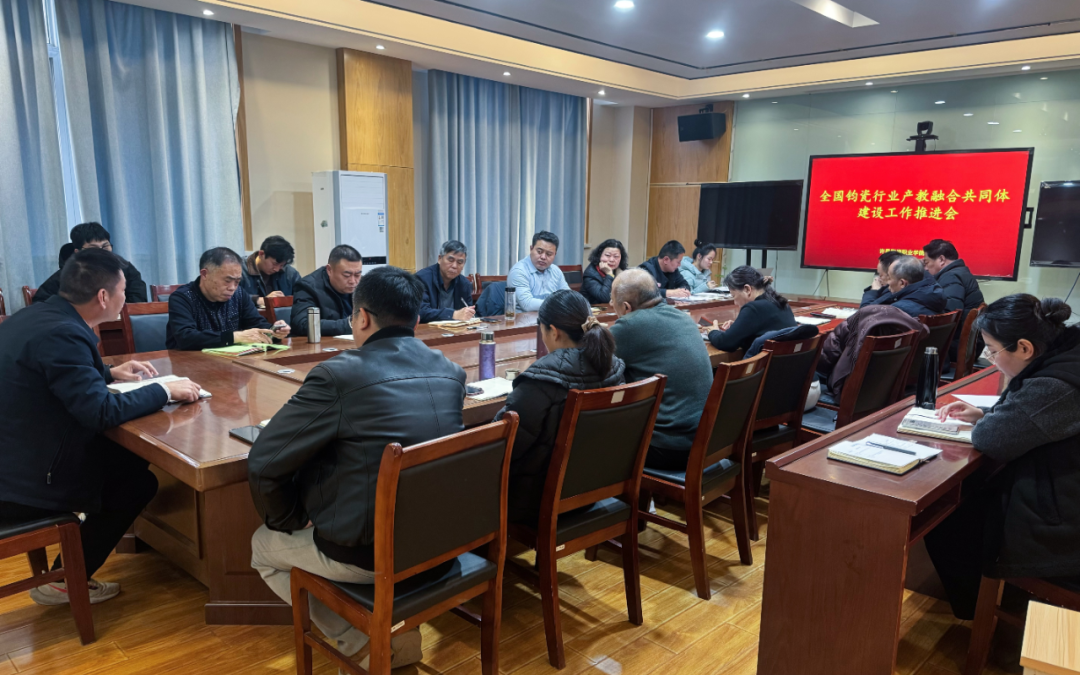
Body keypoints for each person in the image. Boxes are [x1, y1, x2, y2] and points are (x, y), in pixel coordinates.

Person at [248, 266, 467, 669]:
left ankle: (363, 642)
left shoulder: (340, 374)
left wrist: (291, 518)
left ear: (361, 317)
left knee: (262, 546)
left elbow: (264, 463)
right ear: (417, 318)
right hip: (441, 542)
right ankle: (391, 631)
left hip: (371, 556)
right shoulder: (451, 372)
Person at [0, 249, 202, 606]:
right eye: (124, 291)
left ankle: (85, 561)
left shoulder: (36, 316)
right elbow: (100, 412)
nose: (127, 298)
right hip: (24, 483)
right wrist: (164, 391)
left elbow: (51, 376)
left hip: (17, 454)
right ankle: (66, 580)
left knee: (130, 460)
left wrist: (107, 373)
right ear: (104, 296)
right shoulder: (64, 333)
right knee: (135, 481)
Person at [926, 295, 1080, 620]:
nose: (990, 358)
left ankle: (983, 614)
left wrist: (990, 419)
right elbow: (1025, 418)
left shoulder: (1053, 386)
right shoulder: (1068, 355)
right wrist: (986, 413)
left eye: (993, 350)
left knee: (949, 521)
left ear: (1024, 348)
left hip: (1066, 520)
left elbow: (992, 440)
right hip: (1067, 486)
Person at [495, 290, 625, 524]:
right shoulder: (613, 366)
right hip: (597, 485)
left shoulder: (543, 379)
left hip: (536, 499)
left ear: (553, 331)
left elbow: (502, 444)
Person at [609, 269, 712, 470]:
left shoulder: (629, 325)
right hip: (706, 440)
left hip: (669, 447)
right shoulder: (682, 316)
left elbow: (588, 364)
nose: (611, 305)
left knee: (590, 433)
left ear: (627, 307)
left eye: (613, 302)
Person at [165, 247, 289, 350]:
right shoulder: (182, 297)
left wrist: (274, 331)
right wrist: (235, 337)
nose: (232, 288)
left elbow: (257, 324)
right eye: (227, 280)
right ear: (205, 274)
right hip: (189, 364)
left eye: (237, 281)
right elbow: (186, 337)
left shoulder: (239, 294)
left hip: (231, 363)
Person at [33, 222, 147, 305]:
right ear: (78, 252)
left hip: (119, 326)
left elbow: (139, 301)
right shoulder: (66, 275)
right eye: (94, 248)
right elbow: (41, 303)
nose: (101, 252)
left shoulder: (125, 268)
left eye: (105, 246)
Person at [706, 266, 796, 353]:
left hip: (761, 363)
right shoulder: (781, 302)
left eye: (734, 296)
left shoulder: (753, 308)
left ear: (747, 289)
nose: (735, 302)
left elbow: (725, 343)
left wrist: (713, 331)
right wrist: (739, 326)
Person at [923, 239, 985, 359]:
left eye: (927, 262)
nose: (925, 268)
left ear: (941, 259)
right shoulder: (960, 272)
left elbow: (950, 314)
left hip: (958, 346)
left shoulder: (951, 277)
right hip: (970, 344)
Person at [291, 245, 363, 337]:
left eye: (357, 275)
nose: (353, 281)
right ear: (329, 270)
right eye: (346, 275)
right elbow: (302, 324)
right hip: (322, 344)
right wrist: (349, 325)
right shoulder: (308, 287)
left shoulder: (363, 285)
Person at [507, 231, 570, 312]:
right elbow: (527, 304)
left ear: (555, 254)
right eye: (539, 252)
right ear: (531, 249)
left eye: (549, 254)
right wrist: (557, 304)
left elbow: (568, 296)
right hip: (525, 318)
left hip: (551, 316)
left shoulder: (556, 271)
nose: (543, 257)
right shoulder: (519, 271)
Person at [866, 255, 946, 318]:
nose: (887, 282)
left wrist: (874, 291)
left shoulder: (898, 310)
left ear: (902, 283)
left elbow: (865, 320)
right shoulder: (933, 294)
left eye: (889, 278)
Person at [416, 240, 475, 323]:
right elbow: (420, 312)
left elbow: (468, 314)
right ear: (440, 259)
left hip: (456, 329)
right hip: (427, 329)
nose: (454, 266)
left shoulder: (464, 284)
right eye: (450, 260)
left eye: (460, 262)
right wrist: (452, 314)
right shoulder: (421, 278)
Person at [240, 235, 301, 303]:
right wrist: (258, 300)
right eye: (274, 264)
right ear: (261, 254)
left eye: (281, 265)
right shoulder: (239, 270)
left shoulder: (290, 274)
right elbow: (233, 298)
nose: (277, 269)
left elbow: (303, 297)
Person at [581, 239, 628, 305]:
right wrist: (609, 274)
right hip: (593, 309)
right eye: (607, 255)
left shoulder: (620, 271)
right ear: (599, 255)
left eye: (616, 256)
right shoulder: (590, 274)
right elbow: (605, 298)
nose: (611, 260)